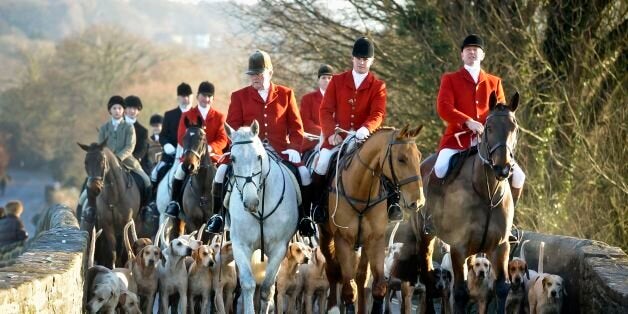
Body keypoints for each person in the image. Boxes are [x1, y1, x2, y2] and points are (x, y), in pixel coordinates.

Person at [205, 50, 316, 237]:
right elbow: (232, 127)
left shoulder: (286, 94)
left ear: (270, 73)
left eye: (259, 74)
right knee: (221, 172)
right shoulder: (239, 96)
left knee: (304, 174)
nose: (255, 78)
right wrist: (240, 147)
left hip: (279, 150)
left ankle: (305, 218)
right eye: (252, 75)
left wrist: (295, 148)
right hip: (247, 153)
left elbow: (296, 128)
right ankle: (219, 216)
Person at [433, 34, 525, 239]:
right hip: (458, 139)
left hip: (489, 143)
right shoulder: (450, 79)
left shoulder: (494, 81)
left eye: (476, 49)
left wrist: (490, 128)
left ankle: (508, 223)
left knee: (519, 176)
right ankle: (432, 216)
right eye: (468, 49)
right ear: (462, 55)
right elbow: (444, 108)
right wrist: (467, 121)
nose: (472, 52)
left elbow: (501, 112)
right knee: (439, 168)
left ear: (482, 55)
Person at [311, 37, 395, 221]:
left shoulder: (378, 86)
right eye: (358, 58)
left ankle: (391, 205)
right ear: (352, 58)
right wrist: (332, 132)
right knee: (323, 162)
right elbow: (325, 110)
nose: (362, 62)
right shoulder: (338, 81)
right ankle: (316, 206)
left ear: (371, 61)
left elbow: (378, 113)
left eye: (365, 59)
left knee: (386, 162)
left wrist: (366, 128)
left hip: (364, 139)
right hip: (338, 137)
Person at [164, 81, 229, 218]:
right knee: (179, 172)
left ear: (213, 98)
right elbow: (181, 135)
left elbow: (223, 139)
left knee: (225, 176)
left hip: (212, 156)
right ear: (198, 96)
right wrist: (193, 150)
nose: (206, 99)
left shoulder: (219, 116)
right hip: (191, 155)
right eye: (203, 95)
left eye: (209, 96)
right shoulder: (187, 114)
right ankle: (174, 203)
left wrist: (210, 148)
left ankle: (225, 209)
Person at [98, 95, 152, 200]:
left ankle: (146, 206)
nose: (117, 111)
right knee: (91, 181)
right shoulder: (103, 128)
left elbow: (130, 146)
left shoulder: (129, 127)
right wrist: (107, 158)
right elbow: (101, 146)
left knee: (146, 180)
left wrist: (118, 158)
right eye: (114, 108)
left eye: (119, 108)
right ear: (110, 110)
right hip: (106, 161)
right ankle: (86, 207)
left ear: (123, 110)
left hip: (127, 160)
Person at [150, 83, 194, 189]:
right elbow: (163, 135)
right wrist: (166, 145)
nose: (186, 99)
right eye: (183, 96)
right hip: (171, 155)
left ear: (192, 97)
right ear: (178, 97)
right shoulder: (169, 115)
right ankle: (153, 200)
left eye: (188, 96)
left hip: (191, 156)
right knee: (155, 173)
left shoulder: (197, 114)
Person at [300, 64, 334, 154]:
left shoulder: (341, 100)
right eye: (323, 78)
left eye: (329, 78)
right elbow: (306, 122)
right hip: (313, 142)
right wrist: (326, 133)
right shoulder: (307, 99)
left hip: (336, 141)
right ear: (318, 80)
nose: (326, 80)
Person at [124, 95, 150, 174]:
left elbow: (142, 149)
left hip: (135, 162)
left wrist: (134, 159)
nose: (132, 111)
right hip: (116, 160)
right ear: (124, 109)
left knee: (147, 181)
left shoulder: (143, 131)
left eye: (135, 109)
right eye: (130, 108)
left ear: (138, 111)